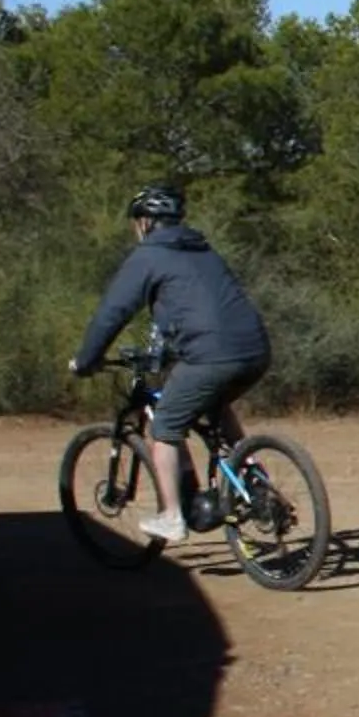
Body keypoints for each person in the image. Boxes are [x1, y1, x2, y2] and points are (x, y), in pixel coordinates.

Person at [69, 183, 274, 544]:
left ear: (146, 223)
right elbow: (199, 309)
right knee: (216, 405)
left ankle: (171, 516)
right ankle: (256, 481)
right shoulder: (203, 250)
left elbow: (111, 314)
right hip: (255, 350)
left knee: (164, 426)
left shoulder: (148, 256)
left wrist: (87, 360)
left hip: (209, 356)